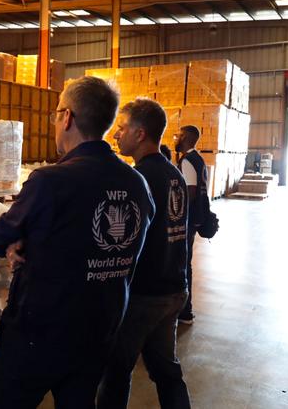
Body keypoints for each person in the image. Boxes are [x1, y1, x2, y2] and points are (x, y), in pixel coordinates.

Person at [0, 76, 154, 409]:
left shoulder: (50, 181)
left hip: (39, 333)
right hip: (99, 330)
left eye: (56, 113)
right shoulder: (137, 184)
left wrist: (21, 240)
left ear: (67, 117)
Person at [97, 98, 191, 409]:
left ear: (139, 134)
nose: (116, 135)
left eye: (121, 129)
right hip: (174, 287)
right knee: (166, 370)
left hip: (146, 293)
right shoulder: (173, 174)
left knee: (116, 369)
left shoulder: (140, 179)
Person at [174, 125, 209, 325]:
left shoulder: (187, 160)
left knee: (183, 263)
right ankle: (185, 309)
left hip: (188, 219)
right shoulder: (198, 158)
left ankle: (185, 311)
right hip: (197, 217)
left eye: (178, 135)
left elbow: (190, 191)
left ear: (185, 137)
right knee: (185, 262)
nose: (175, 138)